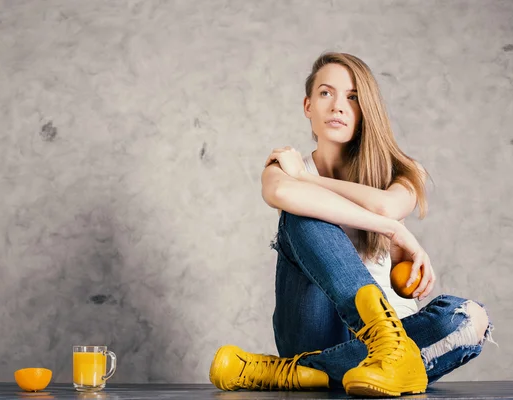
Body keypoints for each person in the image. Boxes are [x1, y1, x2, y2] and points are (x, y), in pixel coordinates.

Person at [208, 52, 494, 397]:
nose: (338, 106)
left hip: (394, 337)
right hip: (312, 333)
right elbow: (282, 192)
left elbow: (386, 205)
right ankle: (383, 349)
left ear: (365, 109)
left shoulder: (403, 171)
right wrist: (394, 229)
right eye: (326, 93)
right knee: (302, 210)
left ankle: (299, 372)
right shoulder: (283, 166)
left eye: (352, 97)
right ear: (308, 106)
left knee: (468, 317)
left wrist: (308, 180)